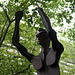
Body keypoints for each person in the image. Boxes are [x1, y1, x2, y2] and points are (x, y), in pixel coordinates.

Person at [12, 11, 64, 75]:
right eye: (38, 36)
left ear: (48, 37)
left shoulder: (56, 50)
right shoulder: (36, 58)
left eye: (42, 35)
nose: (38, 38)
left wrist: (42, 15)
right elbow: (15, 42)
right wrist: (17, 21)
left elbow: (53, 35)